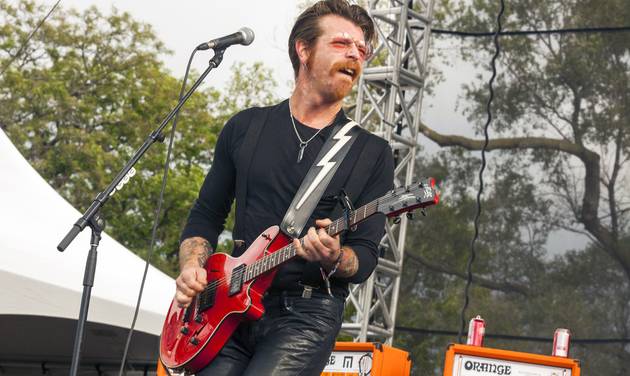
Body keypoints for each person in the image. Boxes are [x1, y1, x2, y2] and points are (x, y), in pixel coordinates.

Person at [175, 1, 394, 374]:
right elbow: (206, 215)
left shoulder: (370, 152)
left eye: (361, 49)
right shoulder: (246, 127)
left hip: (305, 314)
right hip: (224, 306)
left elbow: (365, 257)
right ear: (304, 49)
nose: (355, 54)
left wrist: (334, 257)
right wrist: (192, 268)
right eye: (342, 43)